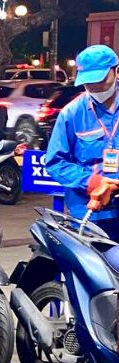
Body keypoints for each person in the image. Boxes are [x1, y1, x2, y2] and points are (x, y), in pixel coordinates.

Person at [46, 45, 119, 240]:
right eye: (88, 81)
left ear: (116, 71)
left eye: (100, 80)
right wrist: (94, 183)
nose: (94, 86)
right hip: (88, 214)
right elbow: (56, 162)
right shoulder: (71, 113)